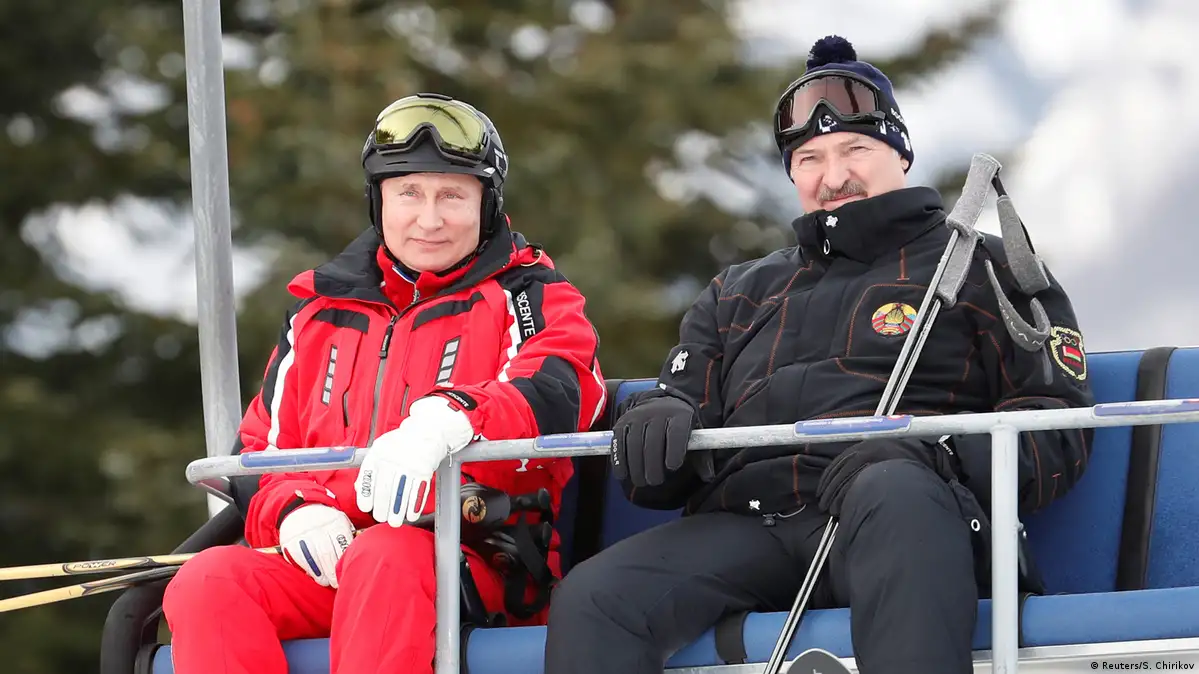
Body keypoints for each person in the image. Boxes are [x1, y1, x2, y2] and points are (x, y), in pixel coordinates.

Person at [543, 35, 1094, 674]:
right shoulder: (737, 292)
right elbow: (664, 456)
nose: (833, 177)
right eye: (809, 158)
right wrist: (655, 425)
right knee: (597, 598)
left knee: (893, 490)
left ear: (900, 153)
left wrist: (936, 456)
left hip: (910, 516)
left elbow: (1058, 423)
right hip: (753, 525)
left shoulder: (981, 267)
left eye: (855, 149)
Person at [163, 93, 607, 674]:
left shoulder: (526, 296)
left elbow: (559, 388)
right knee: (209, 580)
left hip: (471, 561)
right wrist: (296, 511)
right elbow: (260, 453)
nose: (430, 219)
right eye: (409, 193)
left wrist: (451, 418)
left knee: (385, 556)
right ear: (379, 201)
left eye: (452, 195)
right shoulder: (321, 312)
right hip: (332, 556)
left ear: (487, 204)